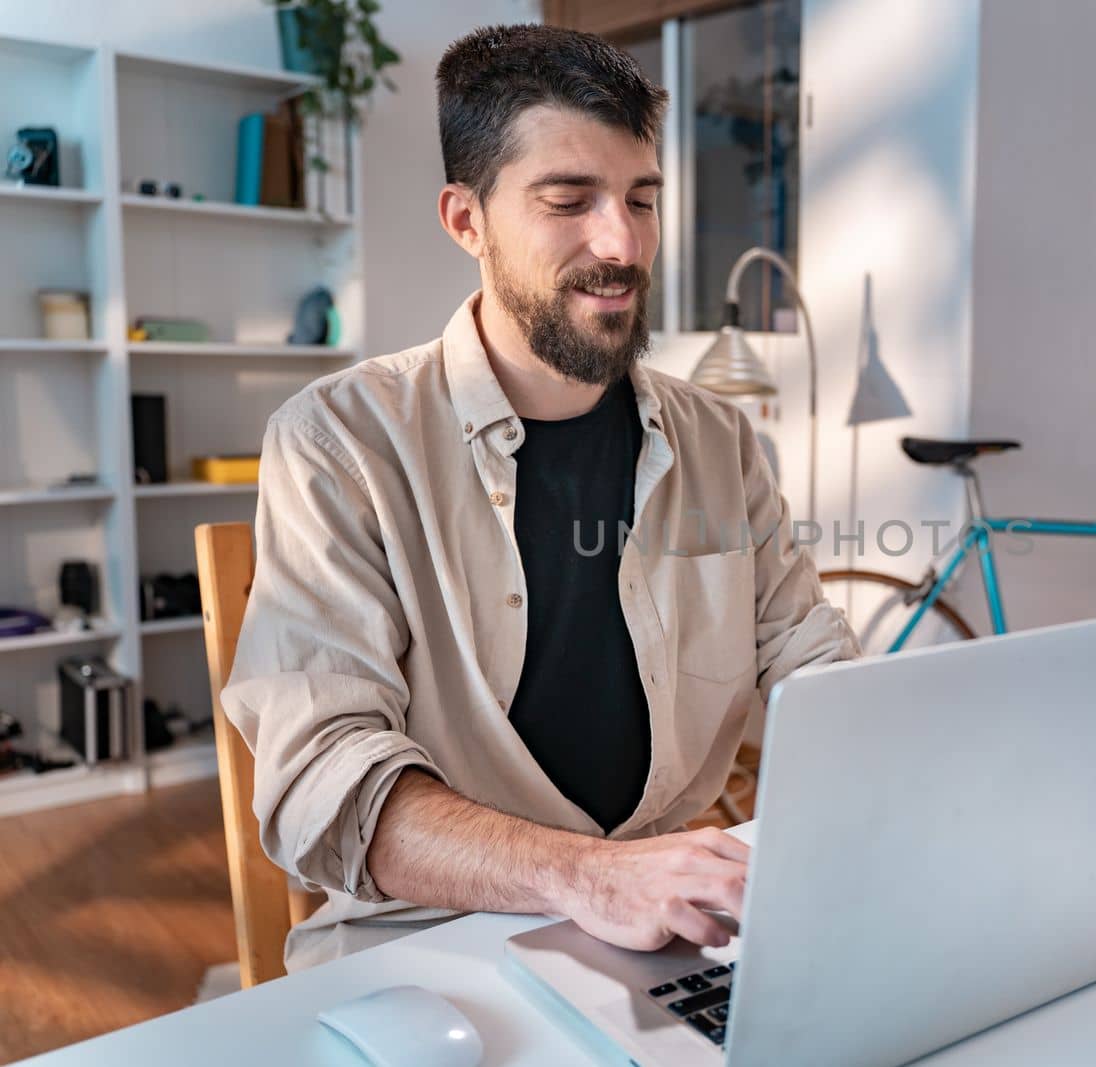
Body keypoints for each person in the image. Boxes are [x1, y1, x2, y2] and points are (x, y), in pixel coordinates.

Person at [222, 23, 857, 971]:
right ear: (465, 220)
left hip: (674, 941)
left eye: (643, 199)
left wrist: (916, 757)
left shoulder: (721, 442)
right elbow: (323, 783)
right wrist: (591, 875)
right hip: (424, 949)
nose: (624, 242)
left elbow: (810, 661)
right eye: (571, 201)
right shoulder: (340, 443)